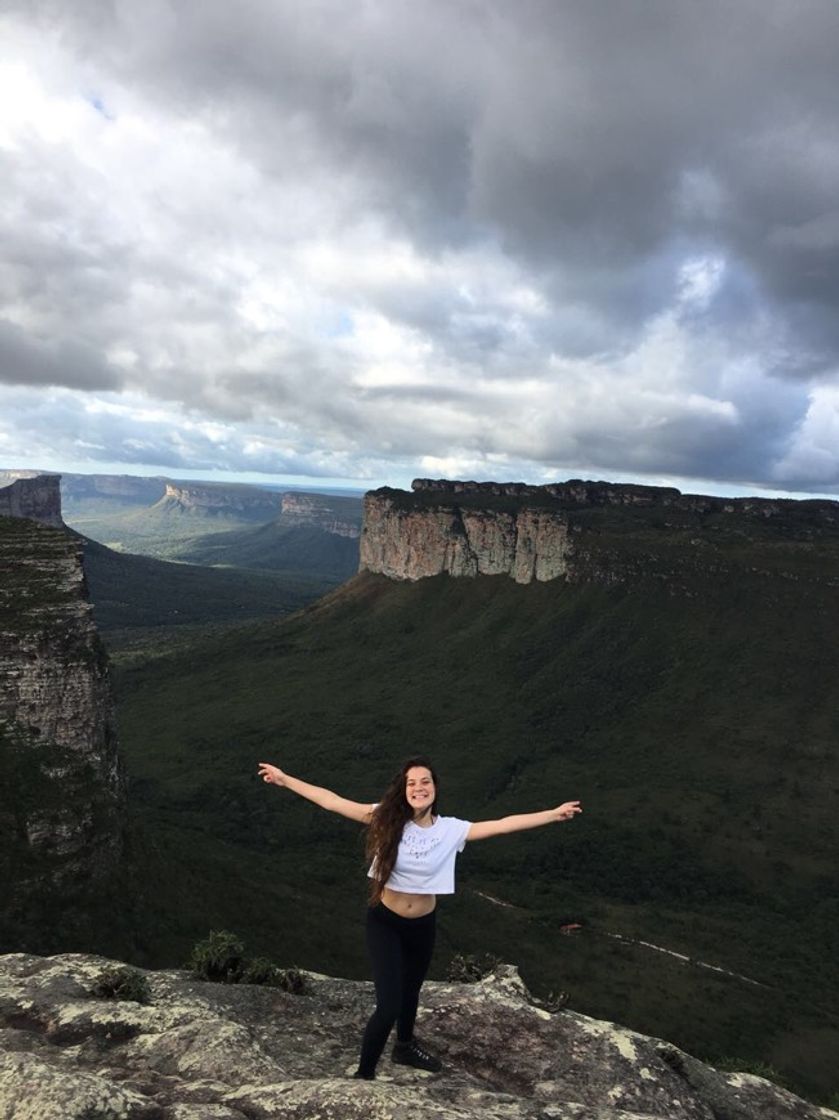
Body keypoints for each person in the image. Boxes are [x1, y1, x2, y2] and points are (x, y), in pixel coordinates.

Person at [257, 755, 581, 1079]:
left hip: (423, 926)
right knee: (388, 1006)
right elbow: (331, 801)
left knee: (411, 990)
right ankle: (364, 1076)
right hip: (385, 922)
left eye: (425, 781)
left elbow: (502, 824)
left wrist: (552, 815)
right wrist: (285, 779)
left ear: (435, 788)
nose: (418, 787)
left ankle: (404, 1046)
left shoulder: (451, 830)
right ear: (404, 790)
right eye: (411, 782)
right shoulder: (385, 818)